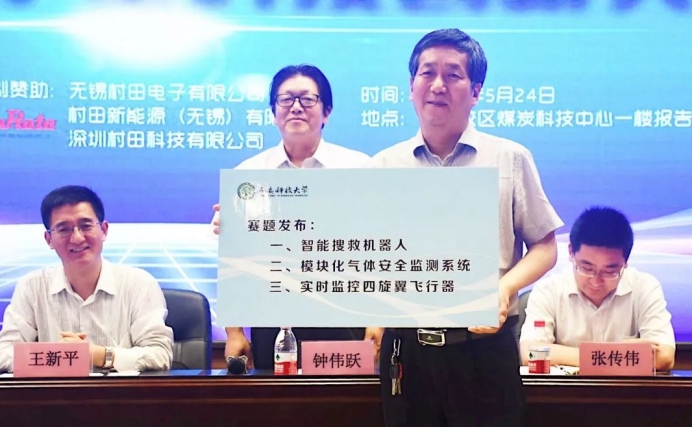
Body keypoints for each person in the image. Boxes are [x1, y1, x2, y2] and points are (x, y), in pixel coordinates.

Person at [364, 28, 564, 426]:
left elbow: (545, 247)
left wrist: (504, 288)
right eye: (427, 73)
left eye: (453, 74)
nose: (438, 85)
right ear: (411, 86)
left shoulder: (509, 158)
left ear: (475, 91)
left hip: (483, 350)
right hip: (407, 352)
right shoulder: (383, 166)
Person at [214, 64, 370, 371]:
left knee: (342, 397)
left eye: (308, 99)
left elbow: (378, 245)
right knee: (279, 398)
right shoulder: (249, 174)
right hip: (273, 317)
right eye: (286, 99)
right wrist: (234, 331)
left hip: (343, 313)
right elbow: (235, 258)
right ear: (273, 112)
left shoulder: (359, 169)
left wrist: (378, 322)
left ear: (326, 112)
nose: (296, 107)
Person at [0, 185, 173, 373]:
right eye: (64, 229)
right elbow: (4, 352)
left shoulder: (139, 283)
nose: (77, 238)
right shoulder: (31, 287)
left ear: (104, 230)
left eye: (86, 226)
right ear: (49, 239)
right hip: (56, 391)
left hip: (120, 391)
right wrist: (57, 356)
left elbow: (160, 354)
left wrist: (96, 354)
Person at [519, 206, 675, 370]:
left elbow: (665, 357)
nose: (596, 281)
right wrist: (618, 354)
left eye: (610, 271)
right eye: (586, 268)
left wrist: (571, 355)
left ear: (625, 261)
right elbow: (529, 354)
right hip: (568, 387)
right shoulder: (548, 290)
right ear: (571, 252)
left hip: (625, 387)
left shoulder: (644, 288)